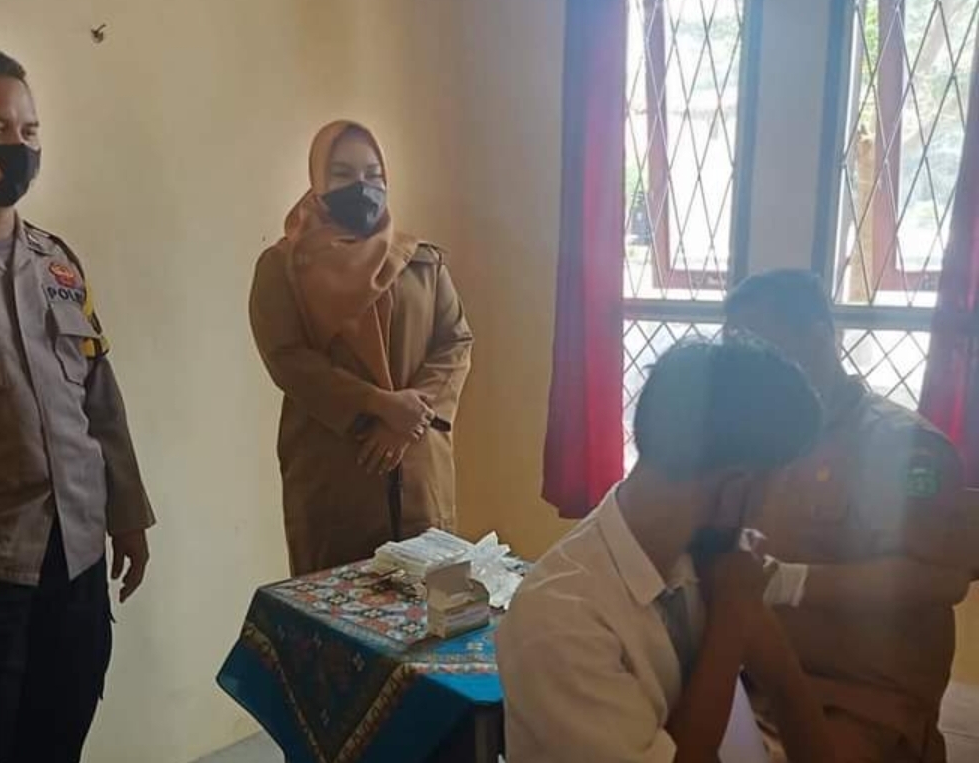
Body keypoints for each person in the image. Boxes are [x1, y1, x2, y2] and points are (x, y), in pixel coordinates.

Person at [0, 44, 154, 762]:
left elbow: (101, 401)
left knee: (58, 741)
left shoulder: (57, 261)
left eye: (29, 130)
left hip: (74, 564)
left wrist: (127, 515)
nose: (17, 145)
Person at [497, 338, 836, 763]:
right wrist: (732, 618)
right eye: (787, 487)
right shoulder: (560, 622)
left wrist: (739, 610)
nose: (800, 507)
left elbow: (786, 688)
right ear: (734, 490)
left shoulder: (708, 555)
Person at [724, 269, 977, 763]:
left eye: (760, 349)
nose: (747, 372)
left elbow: (942, 580)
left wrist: (793, 583)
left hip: (861, 697)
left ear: (820, 338)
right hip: (760, 676)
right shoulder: (767, 439)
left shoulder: (901, 447)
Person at [249, 120, 473, 575]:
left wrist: (408, 418)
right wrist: (377, 406)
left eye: (374, 174)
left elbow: (455, 343)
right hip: (336, 471)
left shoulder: (421, 262)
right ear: (317, 181)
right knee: (336, 604)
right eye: (343, 174)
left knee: (429, 599)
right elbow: (288, 359)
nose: (363, 186)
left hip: (419, 464)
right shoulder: (284, 267)